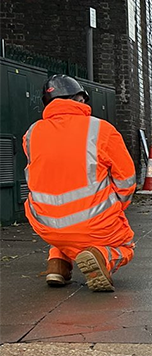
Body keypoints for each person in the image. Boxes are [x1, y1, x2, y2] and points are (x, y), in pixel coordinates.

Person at [24, 75, 137, 292]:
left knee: (64, 232)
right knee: (125, 245)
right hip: (94, 223)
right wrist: (114, 207)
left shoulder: (31, 133)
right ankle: (101, 258)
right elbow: (126, 179)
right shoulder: (101, 129)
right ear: (81, 100)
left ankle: (57, 264)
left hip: (44, 224)